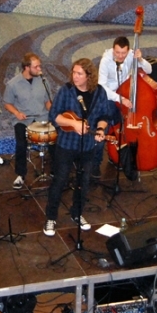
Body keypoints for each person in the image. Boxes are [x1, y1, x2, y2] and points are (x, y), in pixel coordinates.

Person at [43, 59, 112, 237]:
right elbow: (54, 116)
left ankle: (77, 213)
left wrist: (101, 129)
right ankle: (51, 217)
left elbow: (105, 115)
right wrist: (73, 123)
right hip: (66, 144)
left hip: (87, 146)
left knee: (84, 182)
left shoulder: (99, 92)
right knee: (59, 181)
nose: (75, 76)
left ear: (89, 76)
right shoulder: (66, 91)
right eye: (74, 72)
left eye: (79, 73)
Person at [98, 36, 152, 180]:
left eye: (123, 53)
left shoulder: (130, 55)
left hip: (124, 93)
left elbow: (149, 70)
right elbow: (101, 87)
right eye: (117, 52)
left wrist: (140, 59)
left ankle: (117, 155)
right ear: (113, 49)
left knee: (122, 126)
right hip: (109, 97)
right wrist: (119, 98)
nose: (120, 56)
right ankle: (101, 159)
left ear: (128, 50)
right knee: (112, 123)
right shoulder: (105, 61)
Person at [3, 52, 51, 190]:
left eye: (39, 66)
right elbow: (7, 103)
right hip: (24, 120)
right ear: (26, 67)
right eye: (36, 67)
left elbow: (47, 101)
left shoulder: (43, 81)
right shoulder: (13, 84)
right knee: (21, 143)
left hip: (42, 117)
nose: (39, 69)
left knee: (57, 138)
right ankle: (20, 174)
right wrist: (17, 113)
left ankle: (55, 170)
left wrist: (53, 112)